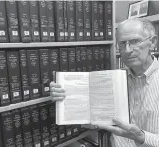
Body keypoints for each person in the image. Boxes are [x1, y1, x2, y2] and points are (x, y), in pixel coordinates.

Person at [50, 18, 159, 147]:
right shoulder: (113, 81)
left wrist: (142, 137)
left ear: (152, 42)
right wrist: (64, 97)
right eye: (122, 44)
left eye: (135, 41)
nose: (128, 50)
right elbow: (96, 124)